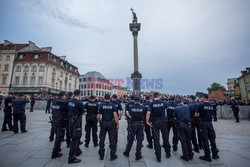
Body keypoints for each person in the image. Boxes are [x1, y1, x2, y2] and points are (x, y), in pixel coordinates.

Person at [146, 92, 171, 162]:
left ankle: (158, 156)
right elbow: (167, 108)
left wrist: (147, 121)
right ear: (159, 96)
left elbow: (148, 113)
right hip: (163, 121)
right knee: (165, 138)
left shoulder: (151, 103)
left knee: (156, 139)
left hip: (155, 122)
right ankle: (168, 153)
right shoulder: (163, 102)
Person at [195, 94, 219, 162]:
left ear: (204, 98)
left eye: (201, 97)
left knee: (205, 139)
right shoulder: (211, 105)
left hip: (203, 123)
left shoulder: (201, 105)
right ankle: (215, 154)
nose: (200, 98)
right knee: (212, 139)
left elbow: (196, 114)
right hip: (210, 123)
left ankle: (207, 155)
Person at [97, 94, 119, 161]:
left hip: (103, 123)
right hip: (111, 123)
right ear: (110, 98)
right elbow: (115, 116)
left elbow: (98, 116)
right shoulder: (113, 105)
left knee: (102, 139)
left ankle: (101, 155)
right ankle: (112, 155)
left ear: (104, 98)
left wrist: (99, 121)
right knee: (112, 139)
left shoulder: (101, 105)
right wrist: (117, 124)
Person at [123, 96, 145, 160]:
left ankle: (127, 152)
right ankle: (138, 154)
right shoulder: (142, 107)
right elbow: (144, 115)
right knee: (139, 140)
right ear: (140, 100)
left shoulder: (131, 107)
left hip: (133, 124)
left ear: (134, 100)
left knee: (130, 138)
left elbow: (129, 114)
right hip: (140, 124)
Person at [68, 89, 85, 164]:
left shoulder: (70, 101)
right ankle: (71, 158)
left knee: (74, 137)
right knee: (75, 139)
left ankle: (77, 151)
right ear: (79, 94)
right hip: (76, 122)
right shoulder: (79, 103)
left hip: (70, 120)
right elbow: (84, 113)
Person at [51, 91, 68, 159]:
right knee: (59, 137)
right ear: (63, 95)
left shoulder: (54, 101)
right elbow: (66, 108)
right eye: (65, 96)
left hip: (54, 121)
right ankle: (55, 152)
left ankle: (58, 149)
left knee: (58, 136)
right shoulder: (62, 102)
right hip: (60, 121)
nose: (65, 97)